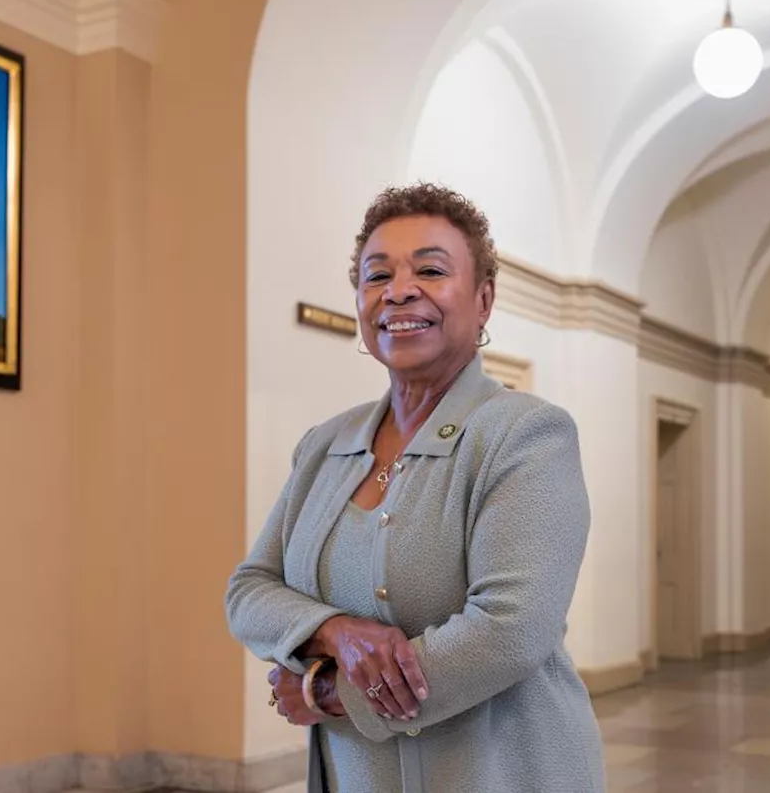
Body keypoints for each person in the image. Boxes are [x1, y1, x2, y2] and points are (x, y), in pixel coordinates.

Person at [225, 183, 607, 792]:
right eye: (377, 276)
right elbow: (248, 590)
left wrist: (329, 691)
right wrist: (336, 633)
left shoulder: (528, 434)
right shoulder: (324, 444)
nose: (398, 290)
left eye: (430, 269)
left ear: (483, 300)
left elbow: (511, 632)